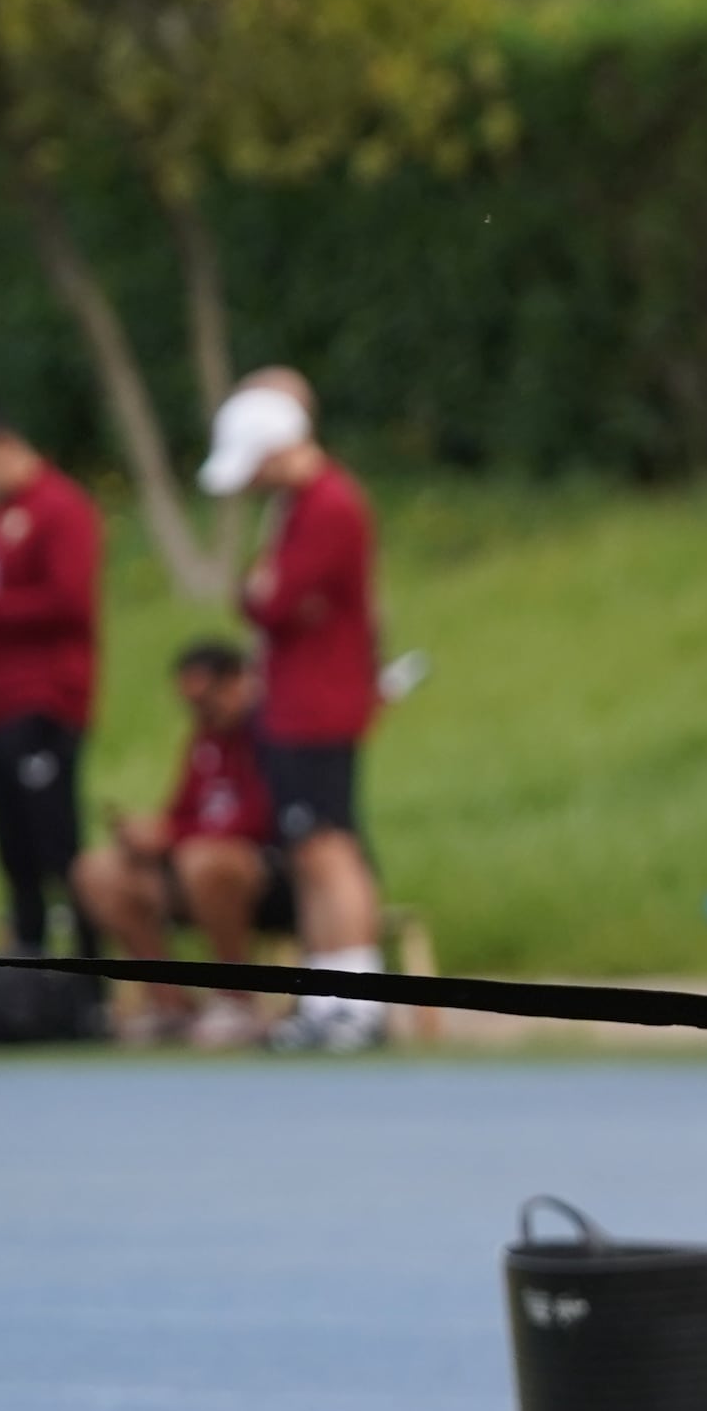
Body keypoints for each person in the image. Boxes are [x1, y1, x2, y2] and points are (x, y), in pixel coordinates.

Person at [202, 369, 392, 1051]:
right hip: (291, 702)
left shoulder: (327, 504)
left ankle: (359, 1000)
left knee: (331, 848)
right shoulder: (299, 504)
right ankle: (326, 993)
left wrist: (259, 591)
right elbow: (264, 594)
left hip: (318, 703)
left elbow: (272, 600)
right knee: (308, 851)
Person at [0, 406, 106, 957]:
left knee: (56, 840)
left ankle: (87, 976)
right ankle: (30, 969)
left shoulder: (60, 508)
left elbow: (69, 602)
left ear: (2, 445)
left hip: (43, 699)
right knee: (14, 848)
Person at [70, 640, 292, 1051]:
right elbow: (186, 810)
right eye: (190, 704)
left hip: (269, 872)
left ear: (239, 684)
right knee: (98, 870)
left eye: (206, 700)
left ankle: (236, 999)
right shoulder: (205, 740)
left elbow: (263, 817)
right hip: (192, 865)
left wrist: (173, 836)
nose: (199, 713)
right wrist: (151, 831)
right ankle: (170, 1005)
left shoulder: (272, 731)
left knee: (203, 861)